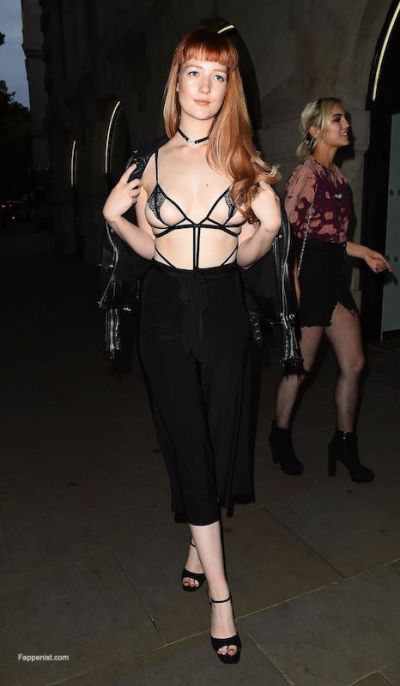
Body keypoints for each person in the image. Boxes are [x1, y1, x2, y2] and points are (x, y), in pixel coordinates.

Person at [102, 27, 281, 664]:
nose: (205, 87)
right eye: (194, 72)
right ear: (175, 80)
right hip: (164, 314)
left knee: (223, 436)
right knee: (186, 439)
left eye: (219, 75)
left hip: (225, 310)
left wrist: (268, 228)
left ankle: (193, 545)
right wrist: (113, 216)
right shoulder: (148, 162)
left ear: (231, 88)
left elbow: (248, 256)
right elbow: (151, 248)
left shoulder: (245, 163)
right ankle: (222, 598)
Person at [269, 97, 391, 481]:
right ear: (315, 130)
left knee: (354, 364)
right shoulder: (306, 175)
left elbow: (333, 240)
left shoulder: (338, 179)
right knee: (300, 368)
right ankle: (279, 435)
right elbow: (286, 238)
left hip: (334, 278)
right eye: (337, 119)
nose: (346, 125)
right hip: (308, 279)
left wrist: (363, 252)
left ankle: (344, 443)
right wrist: (293, 290)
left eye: (346, 119)